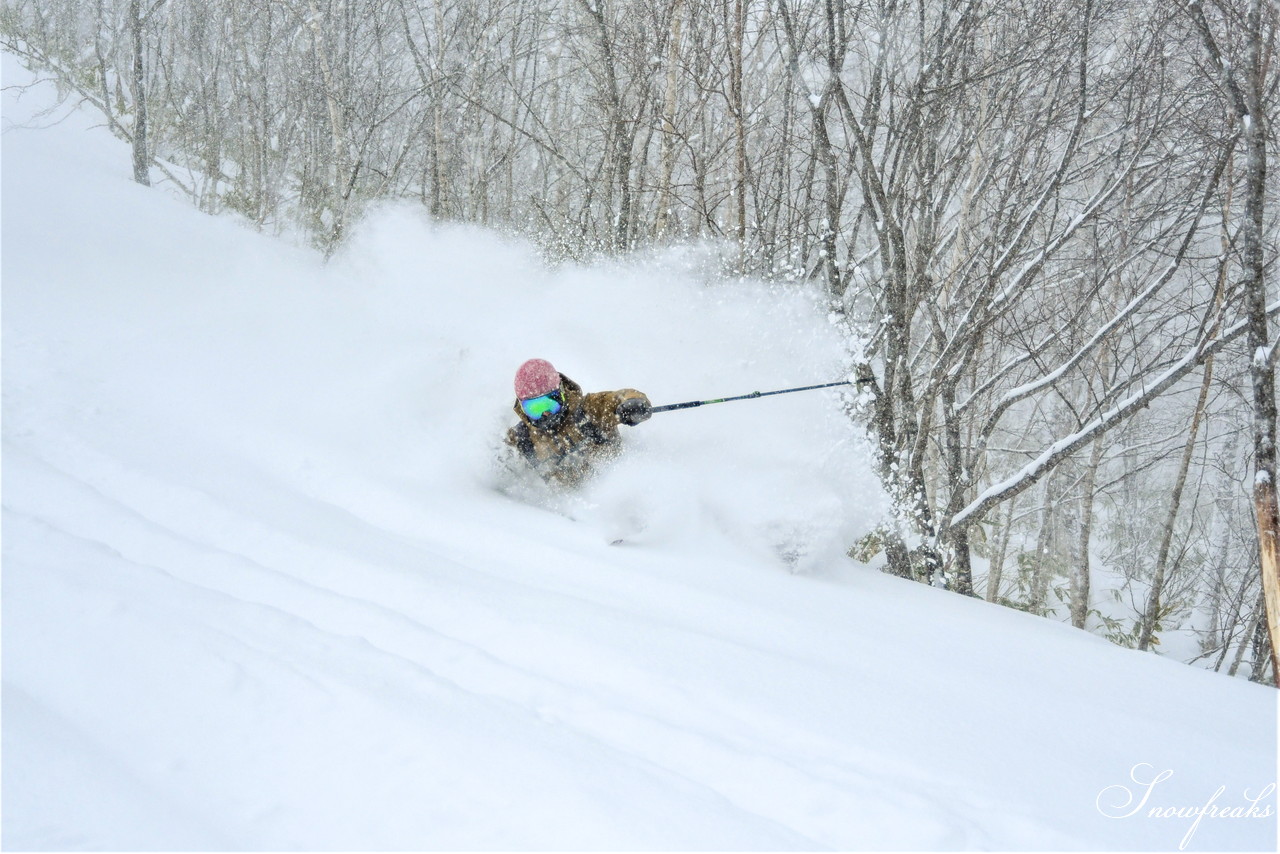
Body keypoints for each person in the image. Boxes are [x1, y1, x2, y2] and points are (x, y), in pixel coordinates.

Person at [505, 358, 652, 487]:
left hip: (615, 489)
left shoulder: (589, 410)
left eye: (550, 404)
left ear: (561, 393)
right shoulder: (523, 439)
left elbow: (619, 397)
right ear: (523, 410)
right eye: (534, 409)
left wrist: (633, 404)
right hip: (563, 509)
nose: (546, 414)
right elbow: (499, 469)